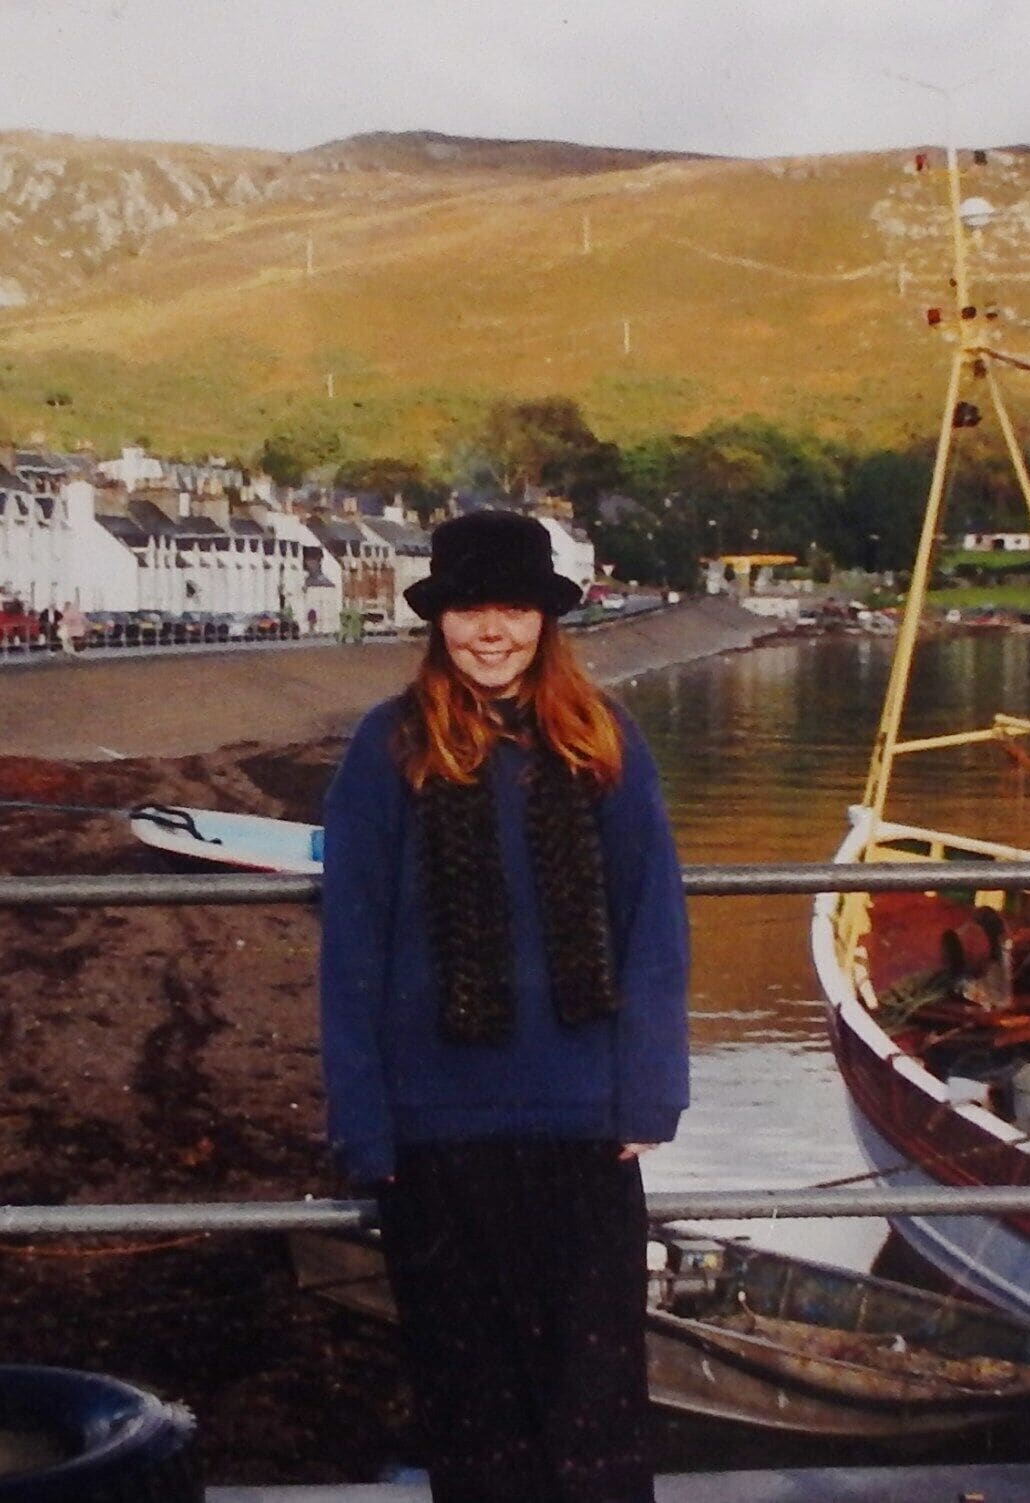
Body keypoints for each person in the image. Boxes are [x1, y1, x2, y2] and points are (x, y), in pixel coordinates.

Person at [318, 508, 689, 1503]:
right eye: (470, 609)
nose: (492, 632)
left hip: (581, 1129)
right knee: (471, 1413)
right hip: (435, 1139)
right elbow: (351, 949)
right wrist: (365, 1125)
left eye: (513, 609)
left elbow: (653, 924)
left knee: (595, 1414)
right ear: (439, 621)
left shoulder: (606, 743)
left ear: (545, 620)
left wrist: (647, 1098)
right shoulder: (385, 747)